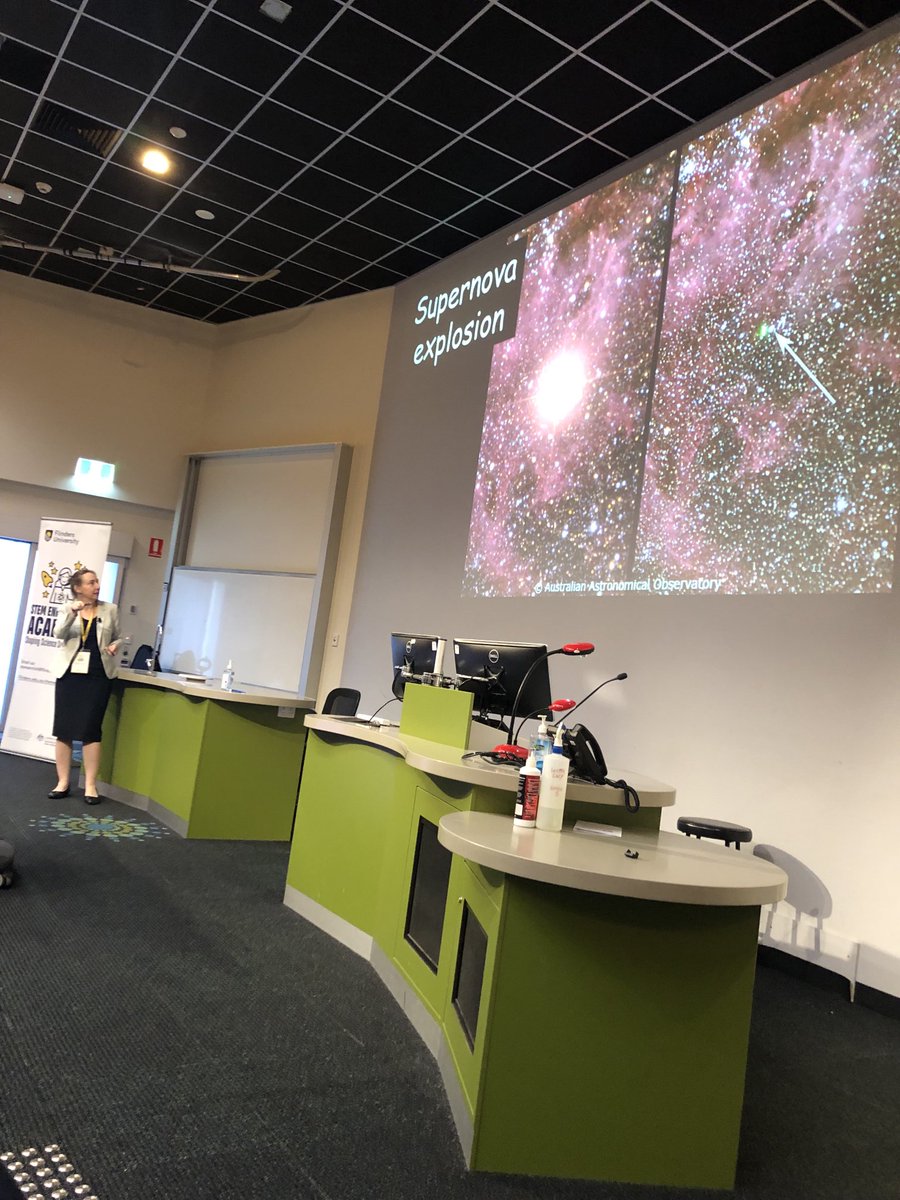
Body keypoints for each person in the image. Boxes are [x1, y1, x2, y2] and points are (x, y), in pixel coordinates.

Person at [50, 568, 122, 804]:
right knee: (64, 729)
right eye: (91, 582)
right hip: (70, 675)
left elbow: (117, 636)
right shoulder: (67, 607)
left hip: (97, 676)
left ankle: (90, 785)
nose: (97, 585)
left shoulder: (110, 609)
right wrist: (72, 612)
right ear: (78, 588)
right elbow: (58, 633)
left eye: (97, 581)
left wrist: (114, 646)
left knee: (91, 729)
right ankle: (63, 782)